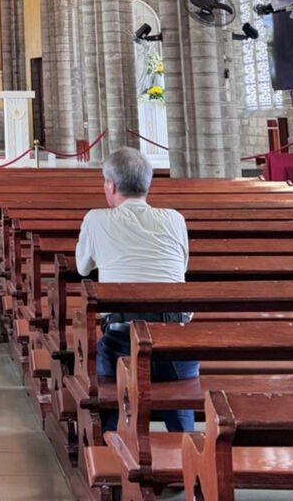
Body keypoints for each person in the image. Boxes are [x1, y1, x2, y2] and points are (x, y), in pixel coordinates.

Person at [75, 146, 197, 432]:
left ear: (111, 185)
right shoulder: (175, 219)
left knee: (114, 396)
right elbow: (182, 266)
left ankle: (112, 449)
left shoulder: (96, 218)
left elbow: (82, 268)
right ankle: (188, 452)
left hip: (123, 340)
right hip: (177, 339)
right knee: (181, 412)